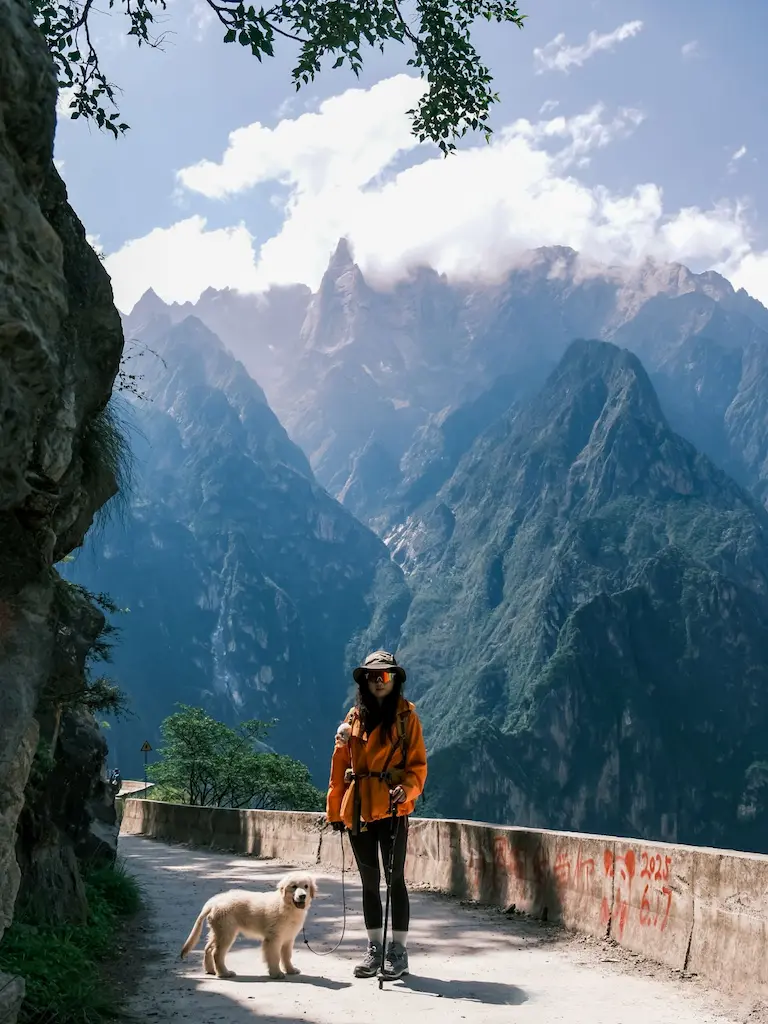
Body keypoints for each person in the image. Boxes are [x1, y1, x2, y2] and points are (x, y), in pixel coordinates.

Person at [326, 650, 427, 981]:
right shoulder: (353, 719)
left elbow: (417, 766)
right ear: (364, 682)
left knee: (395, 879)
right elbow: (340, 766)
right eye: (372, 676)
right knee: (369, 882)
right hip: (358, 809)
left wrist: (407, 790)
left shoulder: (407, 718)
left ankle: (398, 952)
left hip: (393, 807)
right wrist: (335, 810)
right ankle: (374, 949)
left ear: (395, 678)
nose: (378, 682)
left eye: (384, 676)